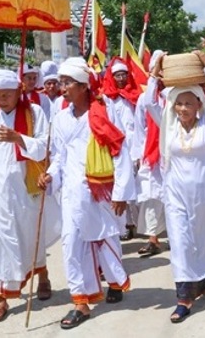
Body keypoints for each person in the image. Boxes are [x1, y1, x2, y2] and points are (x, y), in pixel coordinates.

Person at [39, 57, 134, 330]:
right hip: (70, 193)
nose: (62, 87)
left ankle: (115, 282)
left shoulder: (105, 111)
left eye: (67, 83)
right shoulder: (60, 118)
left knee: (105, 240)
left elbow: (120, 150)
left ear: (83, 86)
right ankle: (81, 300)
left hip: (99, 191)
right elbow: (58, 156)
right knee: (70, 244)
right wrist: (51, 175)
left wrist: (120, 192)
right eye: (61, 82)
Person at [0, 70, 54, 324]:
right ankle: (0, 298)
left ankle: (43, 276)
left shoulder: (34, 113)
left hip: (25, 188)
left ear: (18, 92)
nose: (2, 99)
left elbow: (45, 147)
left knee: (28, 237)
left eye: (6, 95)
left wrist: (18, 138)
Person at [146, 51, 205, 323]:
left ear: (198, 105)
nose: (182, 108)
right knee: (181, 243)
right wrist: (155, 73)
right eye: (178, 103)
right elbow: (149, 101)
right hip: (177, 197)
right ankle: (183, 299)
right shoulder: (168, 127)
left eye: (188, 103)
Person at [132, 51, 168, 256]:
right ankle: (153, 239)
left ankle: (177, 236)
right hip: (151, 154)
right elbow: (139, 128)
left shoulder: (176, 95)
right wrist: (139, 155)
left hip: (173, 152)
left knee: (173, 195)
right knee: (152, 195)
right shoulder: (144, 99)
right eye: (157, 71)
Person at [101, 57, 140, 241]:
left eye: (124, 74)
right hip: (117, 148)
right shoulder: (108, 99)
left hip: (135, 147)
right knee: (121, 186)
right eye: (117, 75)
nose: (121, 78)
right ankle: (125, 225)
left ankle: (137, 224)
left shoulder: (135, 97)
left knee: (136, 187)